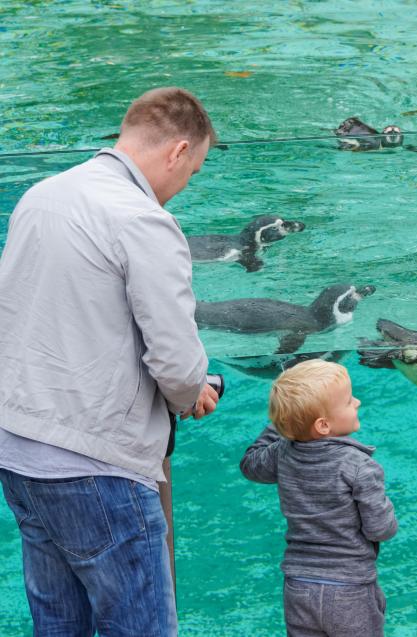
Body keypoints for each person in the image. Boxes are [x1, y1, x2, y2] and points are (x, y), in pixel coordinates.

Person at [0, 86, 220, 636]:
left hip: (20, 451)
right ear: (177, 151)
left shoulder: (42, 195)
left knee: (58, 626)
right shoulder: (142, 219)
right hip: (98, 464)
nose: (184, 185)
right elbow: (175, 359)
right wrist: (193, 393)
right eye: (192, 170)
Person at [240, 360, 397, 637]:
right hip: (351, 590)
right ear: (323, 425)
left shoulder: (282, 454)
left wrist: (285, 422)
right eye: (349, 401)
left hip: (298, 587)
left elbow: (250, 464)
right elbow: (381, 529)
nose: (357, 402)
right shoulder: (360, 466)